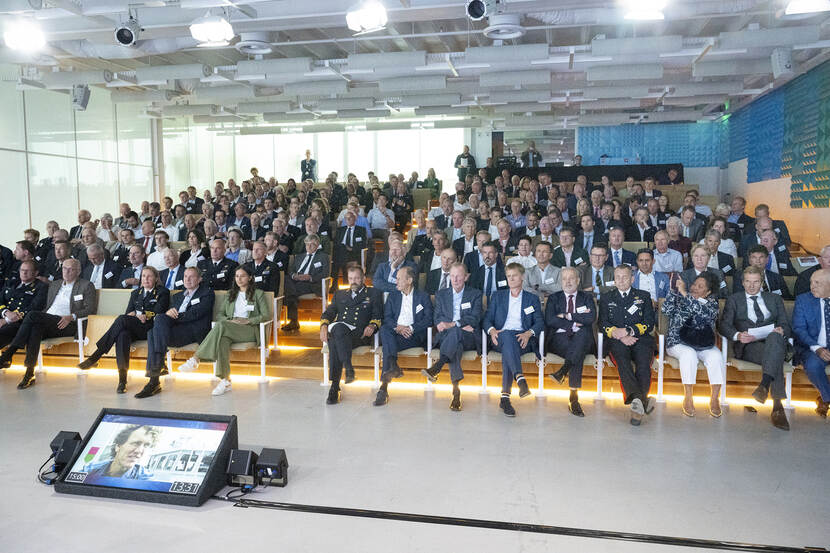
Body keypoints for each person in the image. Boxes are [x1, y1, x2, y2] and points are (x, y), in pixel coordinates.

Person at [0, 259, 97, 389]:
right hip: (47, 321)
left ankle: (9, 353)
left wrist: (71, 316)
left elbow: (90, 309)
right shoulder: (55, 284)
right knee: (35, 328)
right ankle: (29, 373)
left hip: (66, 323)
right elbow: (46, 306)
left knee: (33, 315)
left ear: (78, 271)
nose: (66, 271)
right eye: (64, 268)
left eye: (71, 269)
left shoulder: (86, 285)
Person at [178, 266, 270, 396]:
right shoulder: (230, 294)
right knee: (222, 341)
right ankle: (225, 381)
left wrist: (248, 321)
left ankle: (196, 358)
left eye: (242, 276)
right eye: (237, 276)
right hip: (230, 326)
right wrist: (230, 320)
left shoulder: (258, 293)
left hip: (249, 329)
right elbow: (220, 314)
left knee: (221, 326)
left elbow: (266, 316)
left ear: (250, 278)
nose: (239, 279)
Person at [719, 266, 792, 430]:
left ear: (762, 282)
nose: (752, 286)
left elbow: (786, 326)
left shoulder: (774, 299)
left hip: (773, 341)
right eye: (748, 282)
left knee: (775, 340)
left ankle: (764, 386)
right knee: (775, 357)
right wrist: (738, 335)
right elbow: (724, 326)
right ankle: (777, 406)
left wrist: (782, 330)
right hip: (749, 346)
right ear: (743, 282)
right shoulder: (734, 299)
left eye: (756, 282)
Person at [78, 267, 170, 394]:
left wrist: (142, 315)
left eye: (149, 276)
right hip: (136, 327)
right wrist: (136, 315)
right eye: (143, 276)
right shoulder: (135, 293)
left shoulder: (162, 292)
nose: (146, 279)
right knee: (122, 334)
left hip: (151, 328)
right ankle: (122, 380)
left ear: (155, 278)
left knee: (121, 320)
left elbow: (159, 312)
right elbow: (128, 313)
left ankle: (96, 355)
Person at [137, 267, 215, 398]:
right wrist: (168, 314)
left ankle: (154, 379)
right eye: (185, 276)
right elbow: (167, 318)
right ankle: (156, 374)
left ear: (199, 279)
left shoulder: (207, 293)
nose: (187, 279)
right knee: (155, 328)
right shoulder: (178, 296)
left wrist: (176, 316)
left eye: (191, 277)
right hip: (175, 331)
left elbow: (196, 314)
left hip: (193, 331)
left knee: (154, 332)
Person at [599, 264, 656, 426]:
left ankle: (637, 404)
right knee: (623, 363)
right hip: (617, 341)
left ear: (632, 279)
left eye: (625, 277)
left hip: (640, 339)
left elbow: (649, 323)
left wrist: (629, 331)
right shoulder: (606, 297)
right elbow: (602, 323)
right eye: (618, 277)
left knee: (644, 364)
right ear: (614, 280)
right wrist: (618, 334)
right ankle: (640, 402)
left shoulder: (643, 296)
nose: (621, 280)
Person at [483, 263, 543, 417]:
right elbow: (487, 320)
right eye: (508, 276)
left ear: (522, 277)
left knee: (509, 349)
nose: (511, 279)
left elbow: (539, 322)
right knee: (508, 337)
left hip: (523, 340)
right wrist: (492, 331)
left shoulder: (532, 299)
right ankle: (519, 379)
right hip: (500, 337)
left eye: (514, 275)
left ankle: (505, 397)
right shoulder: (498, 296)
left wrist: (529, 333)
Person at [421, 262, 482, 411]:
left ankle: (438, 365)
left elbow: (475, 318)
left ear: (466, 277)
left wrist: (453, 324)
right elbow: (437, 317)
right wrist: (452, 325)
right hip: (448, 336)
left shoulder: (475, 294)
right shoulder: (441, 294)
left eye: (459, 277)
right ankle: (456, 392)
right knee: (456, 346)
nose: (455, 280)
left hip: (469, 337)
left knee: (455, 332)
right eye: (452, 276)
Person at [662, 272, 724, 418]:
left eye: (700, 286)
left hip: (702, 343)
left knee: (716, 356)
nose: (695, 288)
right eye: (695, 284)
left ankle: (715, 398)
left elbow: (701, 312)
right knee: (688, 354)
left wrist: (684, 293)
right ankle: (688, 397)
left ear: (708, 292)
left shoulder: (712, 304)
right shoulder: (681, 297)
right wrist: (673, 292)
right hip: (678, 342)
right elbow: (665, 310)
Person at [320, 265, 382, 403]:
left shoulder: (373, 293)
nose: (353, 281)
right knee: (338, 331)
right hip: (342, 333)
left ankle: (335, 385)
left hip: (360, 334)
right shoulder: (340, 294)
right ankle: (345, 372)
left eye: (357, 278)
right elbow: (329, 312)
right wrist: (323, 325)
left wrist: (372, 325)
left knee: (335, 336)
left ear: (364, 278)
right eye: (350, 278)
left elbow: (378, 314)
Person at [375, 266, 432, 406]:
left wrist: (411, 328)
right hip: (395, 333)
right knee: (385, 329)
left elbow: (429, 319)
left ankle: (384, 386)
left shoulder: (423, 296)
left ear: (410, 280)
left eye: (399, 278)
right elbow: (387, 318)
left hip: (413, 336)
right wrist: (398, 327)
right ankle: (391, 369)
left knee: (388, 346)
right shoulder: (393, 296)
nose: (396, 282)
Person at [545, 267, 596, 417]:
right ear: (561, 281)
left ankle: (564, 371)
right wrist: (572, 323)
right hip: (559, 339)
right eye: (564, 279)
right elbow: (550, 319)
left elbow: (590, 318)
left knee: (581, 339)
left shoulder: (587, 297)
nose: (568, 282)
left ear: (578, 281)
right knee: (578, 349)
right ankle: (573, 398)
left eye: (571, 278)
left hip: (582, 338)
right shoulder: (554, 298)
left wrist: (565, 315)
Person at [792, 268, 830, 418]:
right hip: (812, 347)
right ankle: (827, 398)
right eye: (811, 282)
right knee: (813, 366)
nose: (812, 286)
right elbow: (799, 329)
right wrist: (818, 348)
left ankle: (825, 398)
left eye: (817, 283)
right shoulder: (803, 300)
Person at [282, 235, 330, 332]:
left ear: (317, 245)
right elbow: (291, 271)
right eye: (307, 244)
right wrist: (294, 276)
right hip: (296, 281)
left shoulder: (323, 257)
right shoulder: (299, 256)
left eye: (312, 244)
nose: (309, 246)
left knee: (289, 291)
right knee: (286, 278)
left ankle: (293, 320)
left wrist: (310, 277)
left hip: (311, 283)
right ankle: (293, 321)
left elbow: (325, 273)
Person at [82, 425, 159, 482]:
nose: (139, 451)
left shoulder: (146, 479)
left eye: (146, 446)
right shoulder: (90, 468)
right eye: (135, 443)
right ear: (118, 447)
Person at [0, 260, 47, 348]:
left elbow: (35, 307)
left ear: (36, 273)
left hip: (21, 323)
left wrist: (7, 320)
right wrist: (5, 312)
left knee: (3, 332)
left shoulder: (41, 287)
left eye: (27, 270)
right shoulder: (11, 282)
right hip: (3, 316)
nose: (24, 273)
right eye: (22, 270)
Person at [331, 211, 367, 291]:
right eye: (346, 218)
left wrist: (351, 248)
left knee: (340, 259)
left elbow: (363, 245)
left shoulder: (361, 230)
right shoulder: (340, 230)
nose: (348, 219)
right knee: (339, 254)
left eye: (350, 218)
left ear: (354, 219)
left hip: (354, 253)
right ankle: (337, 284)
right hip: (341, 252)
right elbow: (336, 243)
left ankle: (339, 284)